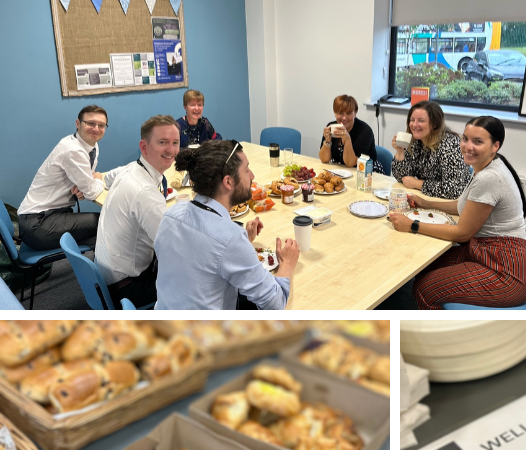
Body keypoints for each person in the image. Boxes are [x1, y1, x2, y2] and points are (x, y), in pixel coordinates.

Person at [388, 116, 526, 309]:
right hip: (484, 251)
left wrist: (412, 225)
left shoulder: (489, 178)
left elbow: (462, 233)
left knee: (425, 289)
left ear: (495, 146)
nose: (467, 146)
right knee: (425, 266)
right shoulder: (489, 165)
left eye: (478, 141)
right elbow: (464, 206)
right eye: (465, 139)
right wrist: (425, 203)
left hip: (506, 270)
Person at [154, 140, 299, 310]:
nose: (252, 175)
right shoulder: (230, 239)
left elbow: (203, 257)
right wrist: (287, 264)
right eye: (246, 170)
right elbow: (275, 304)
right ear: (228, 182)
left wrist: (244, 242)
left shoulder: (172, 214)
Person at [94, 115, 180, 308]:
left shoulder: (131, 168)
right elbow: (175, 248)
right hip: (127, 288)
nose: (171, 150)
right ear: (144, 147)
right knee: (203, 276)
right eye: (162, 142)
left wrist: (97, 175)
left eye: (175, 143)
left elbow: (107, 178)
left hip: (107, 274)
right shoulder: (145, 192)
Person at [17, 105, 109, 250]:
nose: (96, 128)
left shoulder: (91, 145)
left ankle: (92, 257)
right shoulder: (73, 150)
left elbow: (85, 181)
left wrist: (84, 186)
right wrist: (97, 179)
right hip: (38, 224)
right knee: (107, 222)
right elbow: (91, 190)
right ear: (78, 124)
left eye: (101, 125)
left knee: (103, 227)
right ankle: (96, 265)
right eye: (90, 123)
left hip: (49, 215)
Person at [391, 101, 472, 199]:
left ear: (435, 124)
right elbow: (403, 178)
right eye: (412, 120)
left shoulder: (451, 145)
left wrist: (418, 184)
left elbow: (453, 190)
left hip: (453, 203)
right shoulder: (416, 141)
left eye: (421, 121)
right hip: (427, 198)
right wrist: (400, 151)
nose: (414, 125)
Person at [319, 94, 376, 167]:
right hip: (341, 169)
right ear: (335, 113)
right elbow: (324, 159)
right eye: (340, 113)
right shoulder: (331, 127)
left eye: (348, 113)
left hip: (366, 171)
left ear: (355, 114)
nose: (344, 118)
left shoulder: (365, 131)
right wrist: (327, 141)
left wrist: (347, 139)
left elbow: (351, 163)